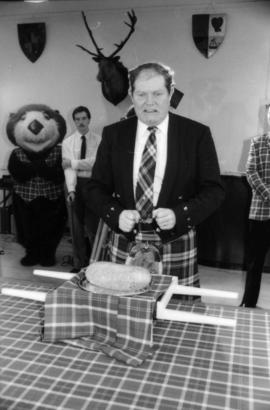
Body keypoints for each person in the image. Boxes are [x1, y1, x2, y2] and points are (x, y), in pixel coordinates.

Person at [83, 62, 224, 290]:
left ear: (170, 93)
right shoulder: (113, 135)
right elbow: (94, 188)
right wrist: (115, 214)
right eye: (141, 94)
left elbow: (215, 191)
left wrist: (180, 214)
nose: (150, 102)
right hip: (125, 238)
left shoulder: (196, 134)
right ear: (131, 95)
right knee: (124, 312)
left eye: (158, 93)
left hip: (176, 239)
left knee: (177, 311)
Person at [62, 106, 101, 272]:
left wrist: (73, 162)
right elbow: (68, 169)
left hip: (93, 185)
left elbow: (96, 163)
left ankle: (95, 265)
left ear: (89, 119)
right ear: (74, 121)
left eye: (84, 118)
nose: (81, 122)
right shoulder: (68, 142)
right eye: (77, 119)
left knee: (93, 227)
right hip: (75, 185)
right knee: (76, 228)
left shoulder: (99, 140)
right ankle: (79, 264)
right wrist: (71, 189)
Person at [240, 104, 270, 308]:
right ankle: (248, 304)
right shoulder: (257, 143)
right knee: (254, 263)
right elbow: (250, 172)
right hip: (261, 212)